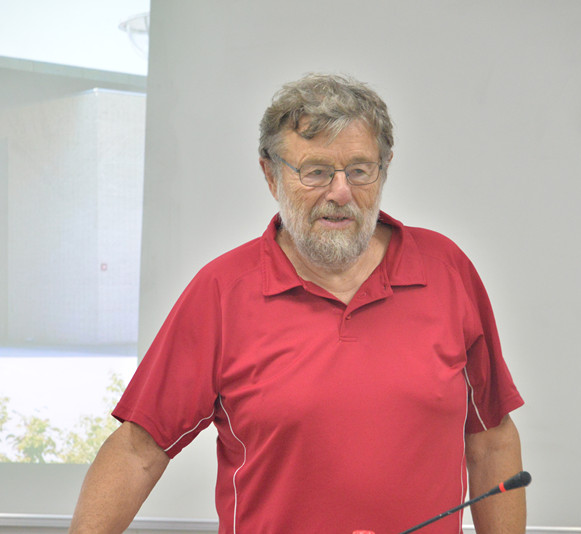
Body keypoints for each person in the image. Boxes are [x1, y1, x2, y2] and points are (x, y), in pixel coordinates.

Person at [70, 74, 525, 534]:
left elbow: (491, 438)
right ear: (271, 175)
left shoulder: (446, 271)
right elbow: (138, 451)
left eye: (360, 170)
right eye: (316, 172)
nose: (341, 192)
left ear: (384, 169)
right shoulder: (223, 292)